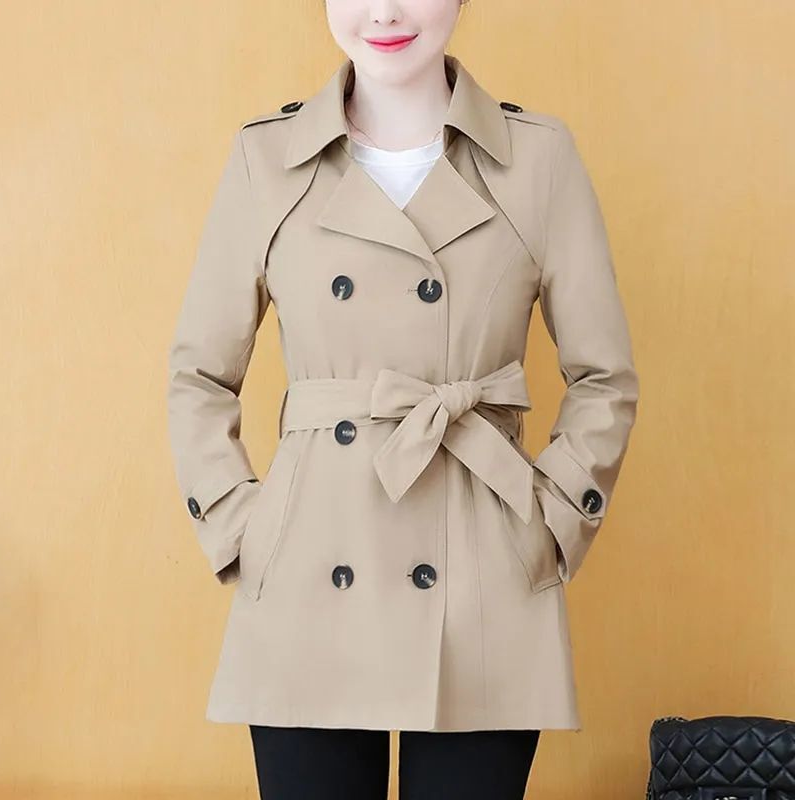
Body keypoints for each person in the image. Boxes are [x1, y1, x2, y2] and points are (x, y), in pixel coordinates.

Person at [166, 0, 639, 797]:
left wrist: (550, 524)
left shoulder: (537, 158)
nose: (383, 10)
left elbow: (605, 377)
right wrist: (247, 530)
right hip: (310, 570)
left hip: (482, 570)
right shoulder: (266, 158)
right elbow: (198, 376)